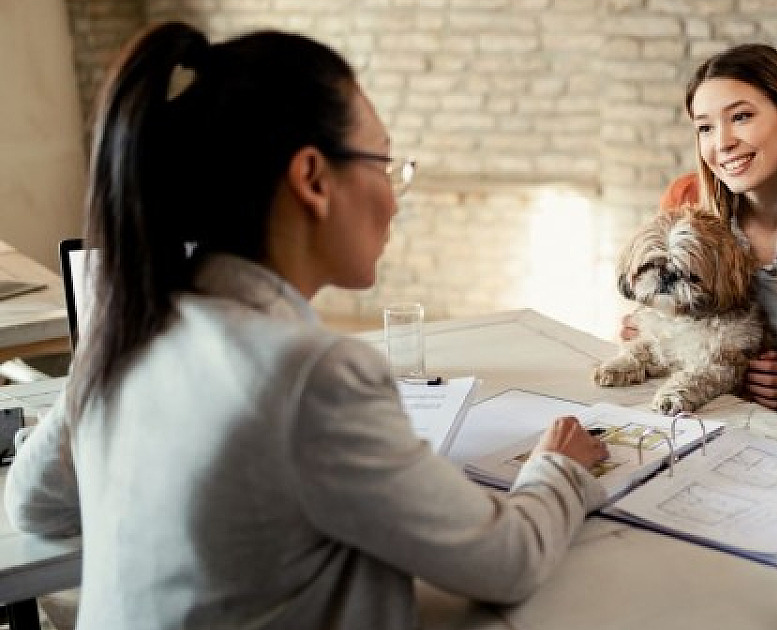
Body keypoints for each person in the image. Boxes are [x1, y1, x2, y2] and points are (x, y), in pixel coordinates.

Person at [5, 22, 609, 629]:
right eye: (383, 162)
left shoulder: (130, 329)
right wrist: (558, 467)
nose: (395, 198)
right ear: (313, 179)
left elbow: (31, 504)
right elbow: (509, 560)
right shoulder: (311, 374)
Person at [625, 43, 777, 432]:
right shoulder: (685, 199)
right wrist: (651, 323)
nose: (722, 143)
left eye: (740, 117)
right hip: (688, 422)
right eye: (705, 127)